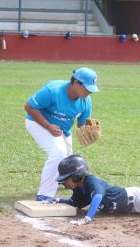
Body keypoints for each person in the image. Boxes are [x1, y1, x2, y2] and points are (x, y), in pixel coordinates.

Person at [24, 68, 100, 201]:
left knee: (70, 161)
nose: (89, 93)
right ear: (76, 83)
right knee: (58, 153)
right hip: (37, 123)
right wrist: (47, 126)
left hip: (63, 130)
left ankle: (65, 181)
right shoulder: (53, 90)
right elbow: (29, 107)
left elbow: (81, 124)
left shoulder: (86, 101)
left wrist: (88, 130)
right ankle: (45, 194)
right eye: (87, 89)